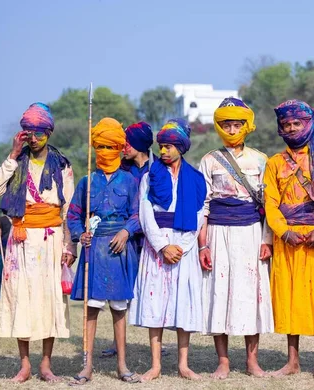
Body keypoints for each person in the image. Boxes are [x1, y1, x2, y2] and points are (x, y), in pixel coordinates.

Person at [0, 102, 76, 383]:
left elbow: (67, 210)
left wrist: (68, 246)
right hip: (21, 241)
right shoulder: (15, 161)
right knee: (22, 300)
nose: (34, 137)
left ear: (49, 132)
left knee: (51, 299)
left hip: (51, 241)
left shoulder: (62, 165)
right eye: (28, 131)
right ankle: (25, 365)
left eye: (39, 132)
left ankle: (46, 365)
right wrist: (13, 155)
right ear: (22, 134)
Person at [264, 99, 314, 378]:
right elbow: (270, 203)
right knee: (289, 297)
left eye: (298, 123)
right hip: (287, 239)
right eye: (287, 124)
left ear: (309, 124)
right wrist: (283, 231)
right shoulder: (274, 163)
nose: (293, 128)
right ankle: (292, 361)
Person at [198, 97, 274, 379]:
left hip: (252, 232)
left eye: (237, 124)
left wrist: (267, 240)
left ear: (246, 125)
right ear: (219, 126)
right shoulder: (208, 160)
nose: (232, 130)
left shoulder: (261, 160)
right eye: (226, 125)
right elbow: (202, 206)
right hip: (218, 233)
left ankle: (252, 361)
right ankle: (223, 361)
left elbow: (269, 205)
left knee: (251, 294)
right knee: (220, 294)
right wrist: (203, 244)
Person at [130, 118, 206, 381]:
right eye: (161, 146)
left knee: (182, 302)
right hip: (157, 245)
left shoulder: (196, 179)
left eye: (169, 146)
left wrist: (182, 247)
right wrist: (162, 246)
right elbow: (145, 212)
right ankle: (155, 365)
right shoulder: (151, 176)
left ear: (181, 147)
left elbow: (199, 215)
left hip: (184, 245)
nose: (163, 151)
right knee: (156, 302)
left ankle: (183, 365)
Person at [68, 117, 140, 385]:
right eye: (99, 147)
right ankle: (87, 366)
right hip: (94, 249)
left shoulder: (130, 181)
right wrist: (79, 234)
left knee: (119, 309)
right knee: (92, 309)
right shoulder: (87, 181)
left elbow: (137, 214)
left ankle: (122, 365)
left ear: (120, 148)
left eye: (110, 147)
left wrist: (126, 231)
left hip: (120, 249)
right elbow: (73, 215)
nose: (104, 152)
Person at [101, 121, 156, 359]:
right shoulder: (120, 170)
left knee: (153, 290)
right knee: (120, 292)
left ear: (141, 145)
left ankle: (156, 343)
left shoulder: (158, 170)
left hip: (152, 239)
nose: (124, 147)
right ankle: (117, 343)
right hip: (126, 237)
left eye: (129, 143)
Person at [0, 211, 12, 301]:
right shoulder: (1, 220)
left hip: (14, 249)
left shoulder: (17, 219)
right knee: (1, 271)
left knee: (13, 273)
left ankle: (11, 294)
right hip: (3, 249)